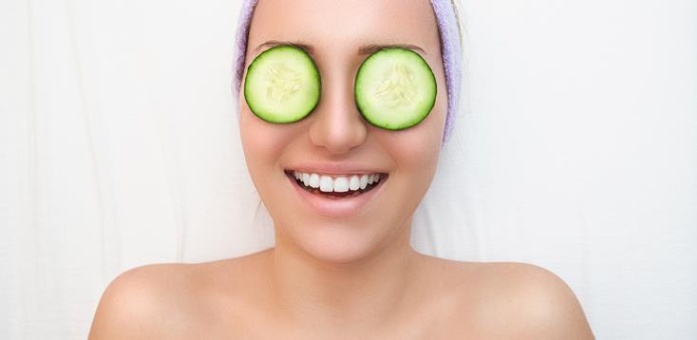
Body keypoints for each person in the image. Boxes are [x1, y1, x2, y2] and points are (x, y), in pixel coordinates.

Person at [89, 0, 594, 338]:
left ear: (447, 109)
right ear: (242, 101)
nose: (337, 132)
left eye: (392, 75)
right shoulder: (149, 323)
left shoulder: (531, 324)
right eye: (286, 73)